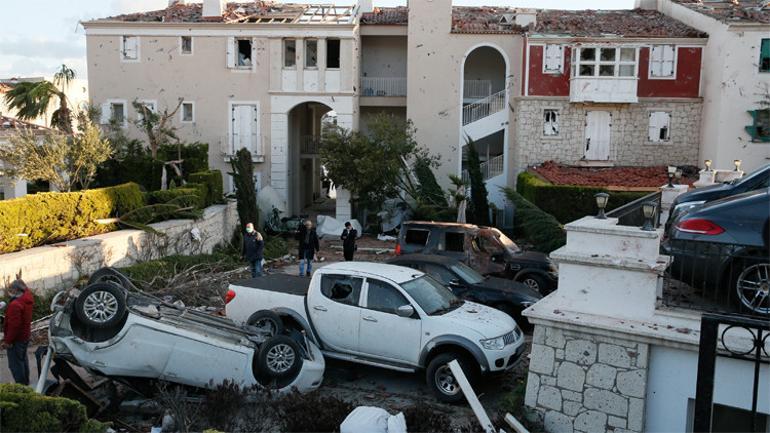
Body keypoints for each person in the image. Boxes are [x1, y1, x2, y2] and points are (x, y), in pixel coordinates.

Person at [3, 279, 34, 385]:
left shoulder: (15, 305)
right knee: (22, 360)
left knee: (15, 365)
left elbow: (14, 326)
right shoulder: (27, 298)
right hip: (24, 335)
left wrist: (7, 341)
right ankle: (26, 383)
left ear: (16, 290)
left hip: (16, 339)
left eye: (11, 290)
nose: (9, 292)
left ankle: (22, 386)